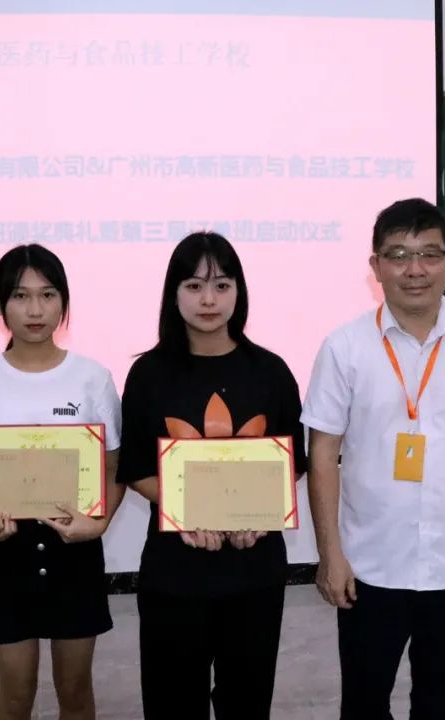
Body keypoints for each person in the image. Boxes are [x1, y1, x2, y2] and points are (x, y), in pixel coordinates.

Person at [301, 198, 445, 720]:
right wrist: (330, 554)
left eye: (429, 254)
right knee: (364, 705)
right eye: (398, 255)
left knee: (443, 704)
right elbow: (323, 453)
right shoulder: (344, 347)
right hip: (370, 565)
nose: (415, 269)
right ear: (375, 266)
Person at [116, 232, 307, 720]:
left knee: (247, 705)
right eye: (194, 285)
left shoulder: (270, 371)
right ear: (173, 293)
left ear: (239, 292)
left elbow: (291, 463)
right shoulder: (148, 374)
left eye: (222, 285)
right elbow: (136, 467)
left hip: (254, 570)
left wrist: (258, 516)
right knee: (172, 705)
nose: (208, 300)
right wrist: (188, 511)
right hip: (174, 573)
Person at [0, 244, 124, 720]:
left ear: (64, 302)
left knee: (75, 691)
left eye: (47, 294)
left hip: (74, 552)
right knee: (16, 695)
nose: (35, 310)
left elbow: (114, 467)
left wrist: (99, 522)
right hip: (6, 552)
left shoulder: (93, 378)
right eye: (20, 296)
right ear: (0, 306)